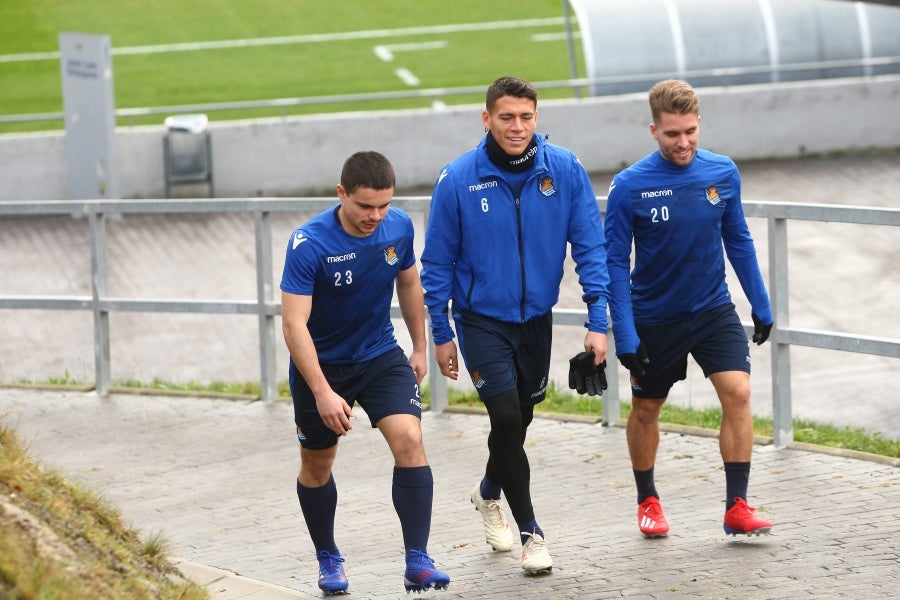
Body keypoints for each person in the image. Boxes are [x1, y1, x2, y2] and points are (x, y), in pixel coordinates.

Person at [420, 76, 610, 574]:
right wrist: (442, 335)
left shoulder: (563, 169)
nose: (517, 127)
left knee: (519, 421)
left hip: (536, 322)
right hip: (481, 321)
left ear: (536, 118)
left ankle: (487, 493)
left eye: (526, 117)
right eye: (506, 117)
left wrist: (598, 319)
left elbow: (590, 248)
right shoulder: (458, 179)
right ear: (487, 119)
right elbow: (436, 265)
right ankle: (532, 534)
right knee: (505, 418)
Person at [604, 79, 775, 539]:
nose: (683, 142)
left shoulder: (721, 173)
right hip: (654, 319)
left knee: (738, 393)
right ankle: (648, 500)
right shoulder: (630, 186)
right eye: (672, 134)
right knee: (646, 409)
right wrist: (625, 332)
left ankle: (737, 506)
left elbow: (737, 239)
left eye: (691, 132)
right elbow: (615, 264)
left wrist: (760, 303)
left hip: (712, 310)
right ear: (653, 130)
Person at [280, 151, 450, 594]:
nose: (375, 216)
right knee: (317, 465)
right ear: (342, 194)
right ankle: (328, 558)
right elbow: (293, 323)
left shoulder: (399, 227)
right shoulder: (309, 244)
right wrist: (320, 391)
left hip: (377, 354)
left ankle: (417, 559)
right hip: (321, 366)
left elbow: (409, 282)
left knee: (410, 439)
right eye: (364, 206)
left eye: (383, 205)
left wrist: (418, 345)